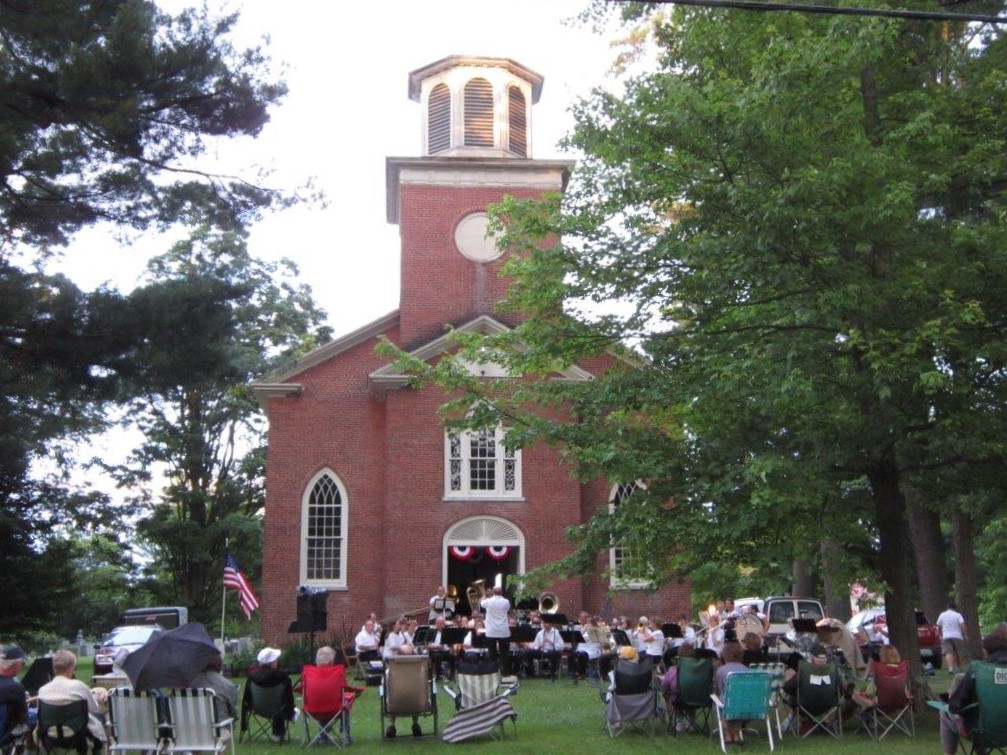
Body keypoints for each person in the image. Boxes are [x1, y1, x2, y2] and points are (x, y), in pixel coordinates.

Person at [941, 632, 1007, 755]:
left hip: (981, 732)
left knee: (945, 711)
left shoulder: (979, 670)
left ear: (985, 650)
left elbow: (955, 706)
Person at [37, 650, 106, 755]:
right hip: (78, 736)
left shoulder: (42, 690)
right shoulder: (79, 686)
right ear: (70, 668)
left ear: (54, 667)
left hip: (50, 737)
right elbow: (93, 708)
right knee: (100, 718)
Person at [243, 647, 297, 743]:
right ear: (272, 662)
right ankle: (279, 735)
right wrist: (290, 712)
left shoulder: (252, 677)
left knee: (279, 706)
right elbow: (288, 699)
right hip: (279, 710)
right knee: (281, 706)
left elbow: (247, 698)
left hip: (258, 709)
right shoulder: (283, 677)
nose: (277, 661)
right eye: (276, 659)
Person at [715, 642, 751, 744]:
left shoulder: (721, 670)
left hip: (728, 704)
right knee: (736, 702)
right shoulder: (747, 670)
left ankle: (728, 735)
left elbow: (719, 689)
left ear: (724, 655)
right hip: (745, 705)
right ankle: (736, 735)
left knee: (724, 702)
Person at [189, 653, 239, 720]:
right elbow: (233, 714)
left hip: (188, 728)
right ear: (220, 665)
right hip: (218, 728)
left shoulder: (187, 685)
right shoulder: (227, 685)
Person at [0, 645, 30, 743]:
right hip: (5, 732)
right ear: (17, 664)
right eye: (22, 663)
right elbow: (23, 717)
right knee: (36, 717)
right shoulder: (15, 687)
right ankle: (29, 750)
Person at [480, 586, 512, 675]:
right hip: (503, 631)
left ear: (493, 592)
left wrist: (485, 595)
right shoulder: (506, 602)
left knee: (492, 653)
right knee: (504, 653)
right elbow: (507, 610)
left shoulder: (488, 601)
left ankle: (492, 672)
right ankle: (505, 672)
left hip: (491, 631)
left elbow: (481, 603)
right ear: (502, 592)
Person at [937, 601, 968, 673]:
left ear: (948, 607)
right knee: (958, 652)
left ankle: (950, 668)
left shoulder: (942, 614)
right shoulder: (958, 615)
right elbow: (962, 625)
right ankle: (959, 667)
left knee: (949, 652)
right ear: (955, 608)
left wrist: (941, 634)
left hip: (946, 636)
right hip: (957, 636)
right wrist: (965, 635)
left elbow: (939, 625)